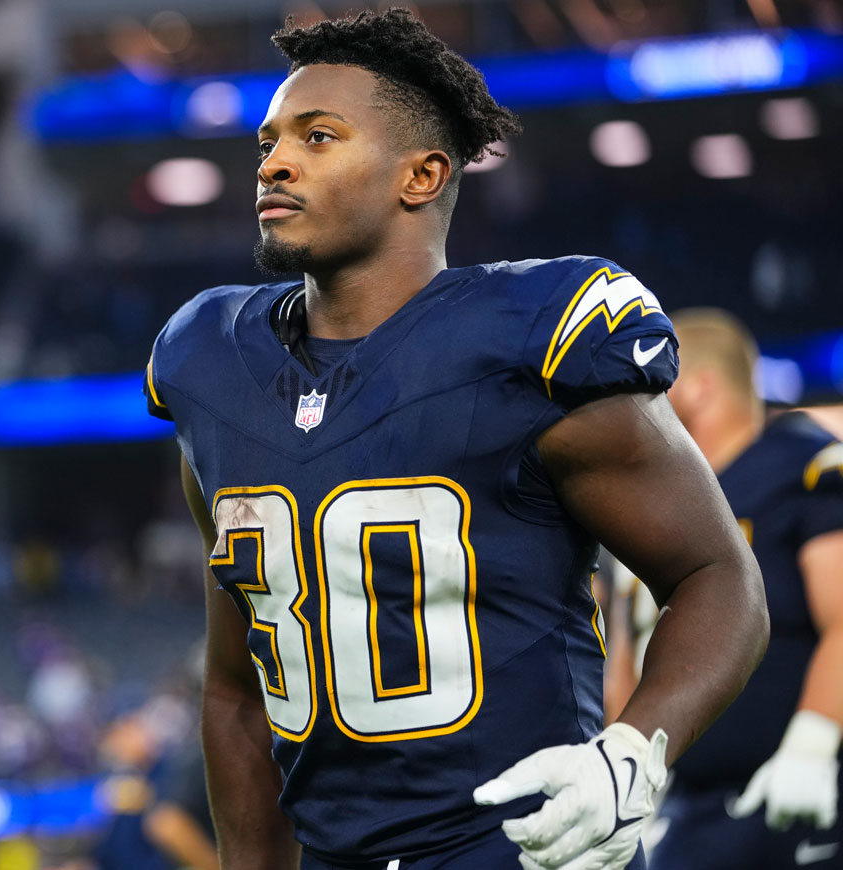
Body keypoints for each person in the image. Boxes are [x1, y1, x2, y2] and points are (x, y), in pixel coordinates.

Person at [144, 10, 768, 869]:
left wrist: (632, 755)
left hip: (519, 848)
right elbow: (236, 691)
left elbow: (718, 576)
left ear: (423, 174)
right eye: (268, 141)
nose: (274, 163)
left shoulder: (528, 344)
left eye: (318, 137)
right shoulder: (211, 364)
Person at [637, 309, 843, 870]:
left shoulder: (795, 465)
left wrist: (814, 745)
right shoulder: (662, 491)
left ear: (700, 384)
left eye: (657, 374)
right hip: (691, 796)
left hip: (791, 788)